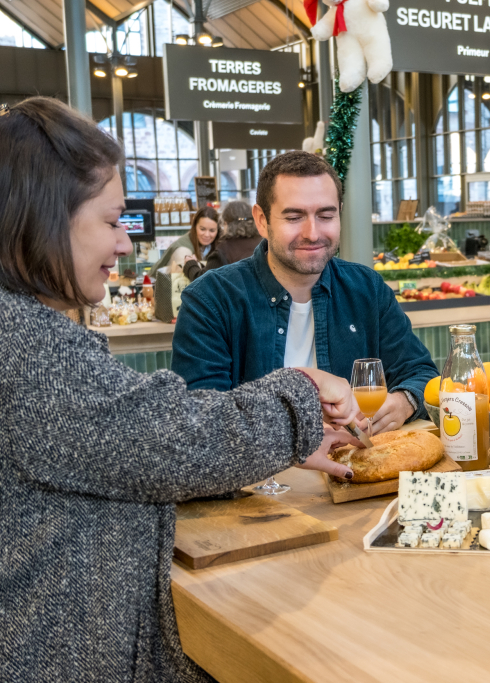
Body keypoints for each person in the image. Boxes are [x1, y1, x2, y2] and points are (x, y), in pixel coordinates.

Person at [0, 97, 364, 680]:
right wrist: (299, 394)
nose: (124, 244)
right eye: (112, 221)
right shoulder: (27, 347)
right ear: (43, 219)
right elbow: (171, 442)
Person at [171, 151, 437, 433]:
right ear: (261, 220)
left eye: (326, 215)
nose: (312, 233)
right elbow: (198, 421)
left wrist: (404, 401)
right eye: (294, 217)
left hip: (358, 460)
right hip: (263, 465)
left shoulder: (367, 289)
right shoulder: (210, 300)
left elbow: (421, 373)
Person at [183, 199, 262, 280]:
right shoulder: (263, 242)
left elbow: (203, 281)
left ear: (226, 223)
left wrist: (190, 264)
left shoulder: (224, 250)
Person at [151, 205, 220, 273]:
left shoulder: (215, 245)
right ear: (195, 226)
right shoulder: (183, 251)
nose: (207, 235)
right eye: (202, 229)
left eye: (212, 230)